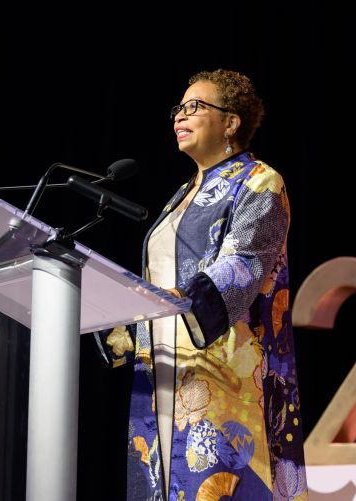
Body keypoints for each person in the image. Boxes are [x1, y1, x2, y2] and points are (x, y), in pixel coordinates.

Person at [94, 69, 308, 500]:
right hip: (162, 368)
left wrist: (181, 299)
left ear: (231, 122)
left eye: (196, 106)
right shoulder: (181, 194)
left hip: (224, 368)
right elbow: (157, 281)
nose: (180, 115)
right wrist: (113, 319)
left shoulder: (258, 180)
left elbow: (245, 262)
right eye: (179, 108)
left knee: (214, 480)